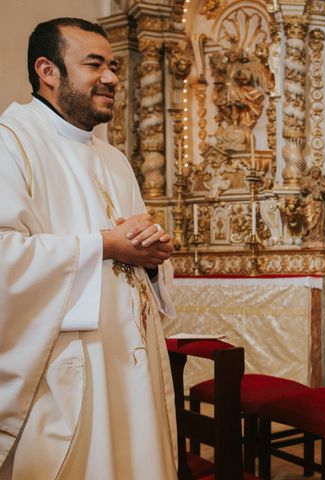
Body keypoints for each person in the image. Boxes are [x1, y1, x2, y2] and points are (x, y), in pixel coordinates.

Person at [0, 18, 178, 479]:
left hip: (130, 365)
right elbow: (4, 256)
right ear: (48, 70)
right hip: (69, 373)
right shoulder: (12, 143)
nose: (112, 78)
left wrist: (152, 257)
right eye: (94, 64)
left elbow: (133, 258)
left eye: (113, 66)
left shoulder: (113, 158)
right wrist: (104, 245)